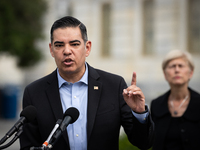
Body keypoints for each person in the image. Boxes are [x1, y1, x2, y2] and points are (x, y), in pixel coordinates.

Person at [19, 16, 154, 150]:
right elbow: (28, 146)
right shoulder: (34, 92)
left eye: (74, 44)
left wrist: (139, 113)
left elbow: (143, 143)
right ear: (51, 49)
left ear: (87, 48)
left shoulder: (114, 85)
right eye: (59, 45)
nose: (67, 51)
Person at [150, 50, 200, 150]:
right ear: (165, 74)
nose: (177, 70)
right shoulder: (156, 104)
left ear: (191, 73)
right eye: (172, 66)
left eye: (181, 66)